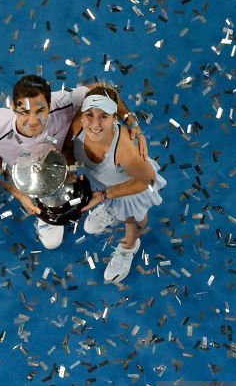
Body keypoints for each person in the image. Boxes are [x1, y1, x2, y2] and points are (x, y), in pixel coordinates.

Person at [0, 74, 144, 250]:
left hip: (54, 170)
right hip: (14, 169)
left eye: (40, 110)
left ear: (50, 105)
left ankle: (48, 207)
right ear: (13, 107)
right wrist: (16, 191)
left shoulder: (64, 102)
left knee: (52, 242)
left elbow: (102, 90)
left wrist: (130, 119)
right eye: (24, 111)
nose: (33, 120)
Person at [67, 85, 165, 283]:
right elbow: (100, 88)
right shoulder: (78, 123)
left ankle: (128, 247)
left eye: (104, 116)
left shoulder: (126, 151)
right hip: (99, 180)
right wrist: (130, 119)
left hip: (129, 188)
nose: (94, 124)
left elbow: (148, 180)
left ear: (114, 118)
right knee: (107, 202)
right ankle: (109, 210)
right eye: (90, 114)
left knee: (133, 219)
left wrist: (104, 195)